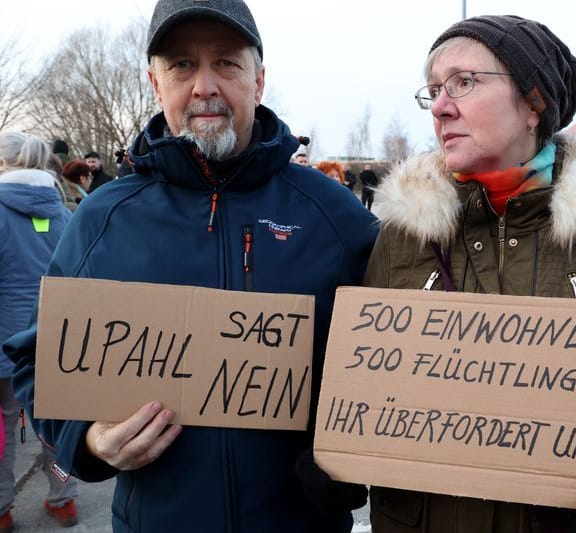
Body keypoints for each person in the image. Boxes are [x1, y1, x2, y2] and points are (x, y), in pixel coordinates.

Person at [2, 1, 376, 531]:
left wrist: (354, 453)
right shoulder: (103, 217)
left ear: (259, 81)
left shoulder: (337, 217)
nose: (204, 86)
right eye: (181, 64)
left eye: (226, 63)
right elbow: (37, 361)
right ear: (156, 84)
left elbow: (388, 371)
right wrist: (87, 440)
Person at [361, 15, 576, 533]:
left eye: (464, 81)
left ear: (534, 103)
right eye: (434, 89)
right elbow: (366, 382)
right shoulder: (403, 237)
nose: (440, 106)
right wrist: (338, 455)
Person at [0, 131, 76, 531]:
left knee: (2, 432)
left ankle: (2, 509)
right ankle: (63, 499)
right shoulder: (64, 214)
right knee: (53, 430)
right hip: (55, 342)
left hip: (4, 344)